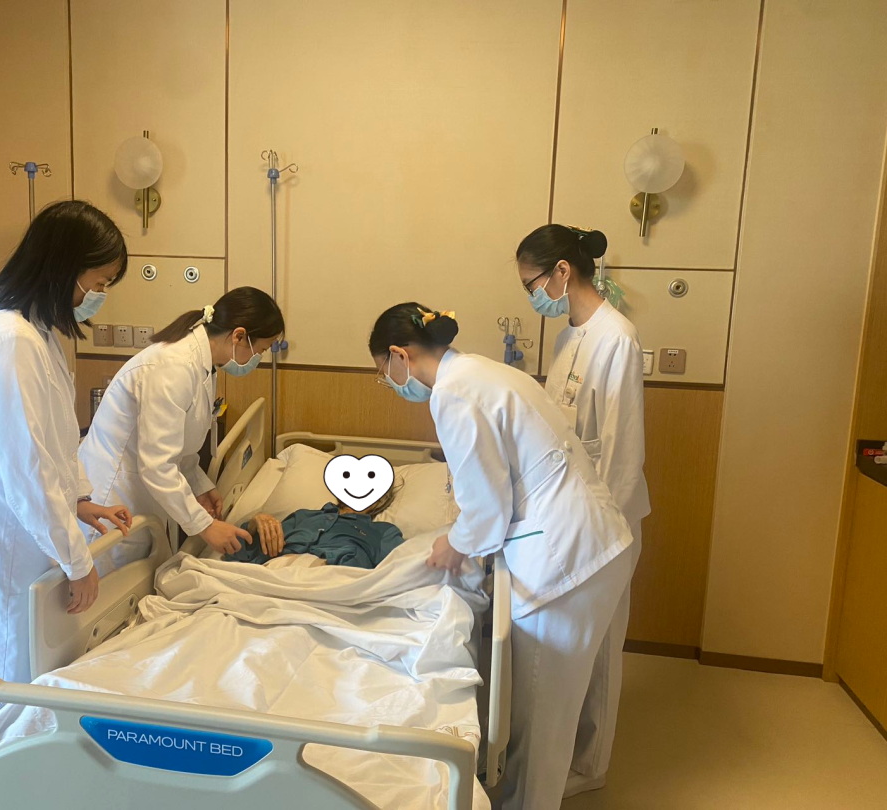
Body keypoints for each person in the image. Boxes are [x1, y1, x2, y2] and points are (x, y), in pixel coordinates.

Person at [368, 303, 635, 810]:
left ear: (399, 355)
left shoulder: (452, 393)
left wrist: (454, 545)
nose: (392, 383)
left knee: (541, 717)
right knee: (554, 709)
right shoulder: (482, 370)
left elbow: (487, 509)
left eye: (386, 372)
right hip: (594, 540)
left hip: (565, 561)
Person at [0, 200, 134, 738]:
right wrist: (78, 562)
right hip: (4, 538)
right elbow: (26, 470)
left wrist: (81, 501)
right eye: (99, 282)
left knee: (17, 673)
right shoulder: (9, 341)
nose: (99, 295)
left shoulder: (33, 328)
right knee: (1, 679)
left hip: (23, 529)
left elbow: (54, 441)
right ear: (64, 266)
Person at [517, 224, 649, 797]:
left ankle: (591, 767)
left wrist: (603, 533)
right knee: (577, 647)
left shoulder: (617, 338)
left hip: (606, 520)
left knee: (601, 649)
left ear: (562, 272)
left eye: (532, 285)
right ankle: (566, 751)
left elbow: (622, 449)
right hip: (570, 511)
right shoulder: (568, 337)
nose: (532, 296)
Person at [79, 287, 284, 562]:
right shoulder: (173, 367)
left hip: (141, 495)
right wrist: (206, 526)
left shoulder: (204, 365)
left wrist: (200, 486)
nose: (258, 358)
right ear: (239, 336)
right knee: (106, 581)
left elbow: (180, 447)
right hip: (113, 494)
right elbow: (157, 463)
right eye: (260, 350)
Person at [228, 486, 404, 568]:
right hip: (271, 579)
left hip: (330, 586)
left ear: (379, 500)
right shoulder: (303, 516)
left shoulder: (382, 532)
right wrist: (253, 525)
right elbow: (236, 551)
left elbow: (402, 569)